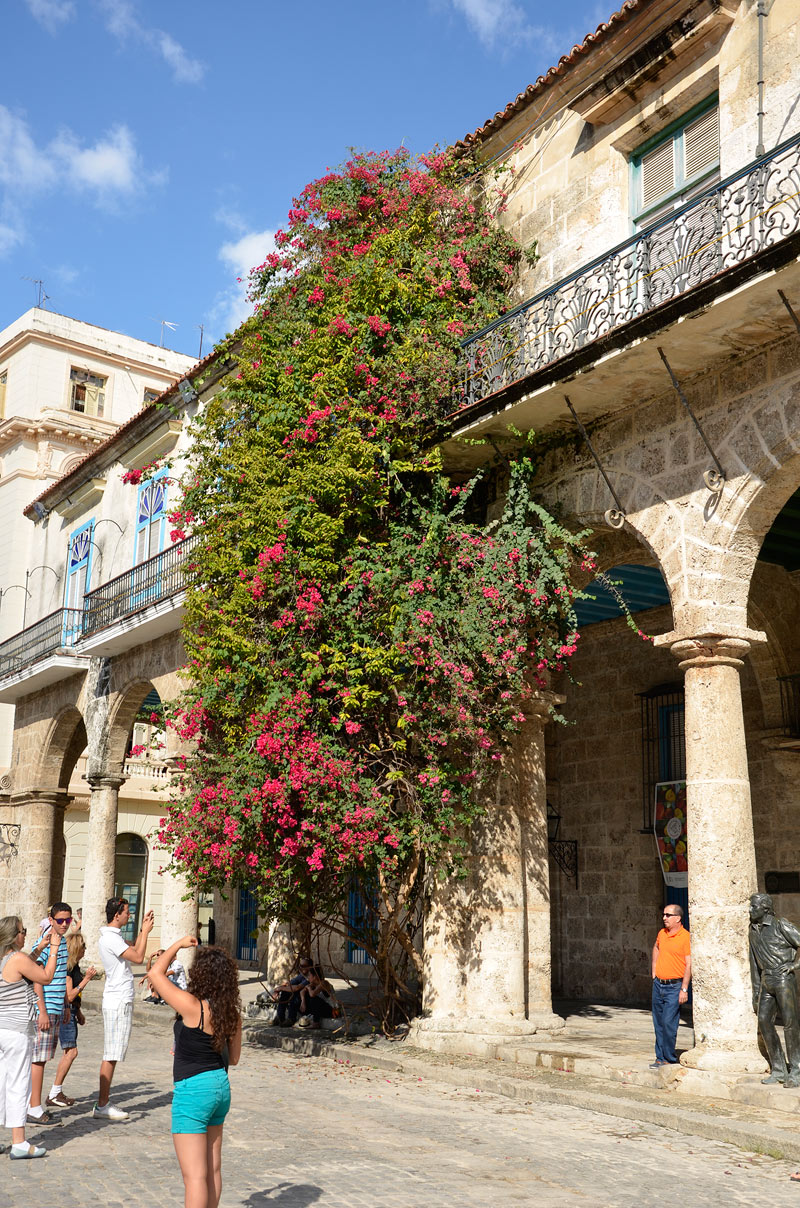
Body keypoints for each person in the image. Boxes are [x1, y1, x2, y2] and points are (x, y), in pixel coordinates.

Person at [147, 937, 241, 1208]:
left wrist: (177, 946)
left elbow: (154, 973)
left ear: (200, 975)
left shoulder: (192, 1007)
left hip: (194, 1091)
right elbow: (233, 1059)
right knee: (212, 1170)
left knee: (195, 1177)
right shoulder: (231, 1013)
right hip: (220, 1087)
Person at [0, 915, 59, 1158]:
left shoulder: (5, 958)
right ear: (15, 936)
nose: (26, 934)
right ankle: (19, 1142)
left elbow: (21, 969)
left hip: (2, 1028)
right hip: (16, 1032)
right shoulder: (16, 958)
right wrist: (54, 949)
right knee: (17, 1084)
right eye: (23, 931)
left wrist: (38, 949)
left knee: (1, 1084)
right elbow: (44, 976)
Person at [95, 896, 154, 1121]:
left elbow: (135, 950)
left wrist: (142, 929)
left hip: (119, 997)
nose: (129, 915)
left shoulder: (114, 937)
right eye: (127, 911)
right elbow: (139, 957)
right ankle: (102, 1104)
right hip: (117, 999)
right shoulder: (110, 939)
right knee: (111, 1053)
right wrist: (146, 931)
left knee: (114, 1052)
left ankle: (104, 1101)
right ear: (117, 914)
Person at [28, 901, 74, 1123]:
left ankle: (33, 1104)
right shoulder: (46, 943)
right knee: (38, 1059)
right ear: (51, 920)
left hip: (57, 1006)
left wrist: (66, 1005)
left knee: (43, 1059)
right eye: (60, 920)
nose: (64, 924)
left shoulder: (62, 942)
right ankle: (34, 1107)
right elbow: (37, 976)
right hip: (45, 1008)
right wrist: (42, 1011)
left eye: (68, 920)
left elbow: (62, 976)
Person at [749, 892, 800, 1088]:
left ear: (765, 909)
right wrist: (755, 990)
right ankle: (779, 1069)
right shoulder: (753, 930)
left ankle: (796, 1070)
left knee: (790, 1024)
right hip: (766, 980)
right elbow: (754, 962)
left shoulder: (781, 925)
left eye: (754, 906)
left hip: (783, 979)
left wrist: (794, 966)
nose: (750, 910)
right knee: (764, 1021)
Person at [45, 931, 96, 1108]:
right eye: (83, 946)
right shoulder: (68, 968)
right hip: (65, 1012)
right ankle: (54, 1092)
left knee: (70, 1052)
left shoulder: (73, 967)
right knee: (71, 1052)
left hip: (72, 1011)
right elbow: (69, 995)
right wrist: (86, 979)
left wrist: (79, 1012)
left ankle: (56, 1091)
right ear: (76, 948)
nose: (85, 950)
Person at [650, 903, 691, 1068]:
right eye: (664, 914)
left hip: (674, 986)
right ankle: (660, 1057)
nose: (664, 918)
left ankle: (669, 1057)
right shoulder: (662, 933)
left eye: (668, 915)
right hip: (658, 984)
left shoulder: (685, 937)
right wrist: (654, 971)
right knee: (658, 1022)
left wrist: (684, 989)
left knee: (668, 1022)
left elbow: (689, 964)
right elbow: (656, 947)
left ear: (678, 918)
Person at [271, 955, 313, 1027]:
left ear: (310, 967)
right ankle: (280, 1017)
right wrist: (277, 990)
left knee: (295, 993)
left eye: (304, 966)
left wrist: (281, 988)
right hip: (300, 999)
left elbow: (297, 988)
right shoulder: (302, 976)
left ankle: (291, 1018)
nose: (301, 967)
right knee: (285, 991)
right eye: (300, 965)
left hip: (307, 1002)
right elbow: (288, 984)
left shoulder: (311, 977)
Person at [298, 963, 335, 1030]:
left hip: (331, 1010)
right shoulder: (313, 984)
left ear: (315, 976)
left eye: (309, 975)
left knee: (314, 999)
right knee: (302, 998)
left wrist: (309, 988)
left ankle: (316, 1023)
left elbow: (312, 994)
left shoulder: (324, 983)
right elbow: (302, 992)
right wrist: (303, 1002)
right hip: (321, 1009)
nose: (308, 977)